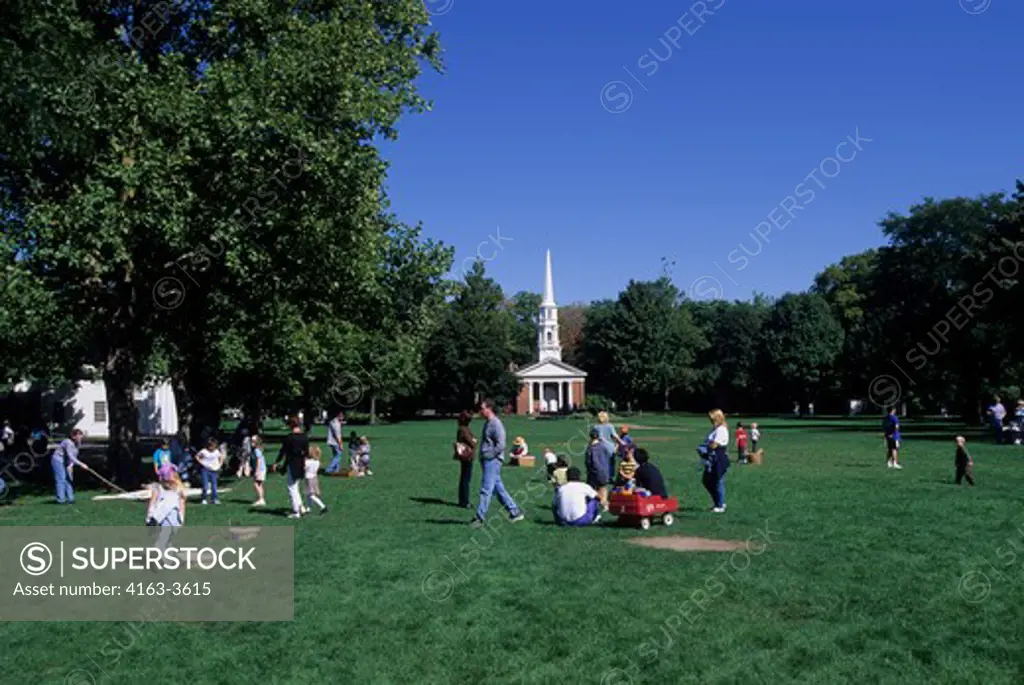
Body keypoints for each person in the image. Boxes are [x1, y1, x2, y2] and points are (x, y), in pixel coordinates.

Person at [470, 398, 524, 527]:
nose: (480, 411)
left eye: (482, 408)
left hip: (492, 461)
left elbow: (501, 445)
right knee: (498, 489)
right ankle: (515, 511)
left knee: (486, 489)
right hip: (488, 460)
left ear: (489, 408)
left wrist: (489, 455)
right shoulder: (488, 423)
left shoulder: (496, 424)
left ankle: (479, 517)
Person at [274, 416, 309, 519]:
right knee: (296, 487)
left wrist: (277, 462)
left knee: (291, 488)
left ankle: (296, 511)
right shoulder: (304, 437)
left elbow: (283, 451)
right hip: (301, 463)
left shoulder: (289, 438)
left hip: (292, 464)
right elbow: (306, 452)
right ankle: (301, 507)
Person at [146, 465, 186, 550]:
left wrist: (182, 516)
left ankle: (167, 551)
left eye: (171, 482)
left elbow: (182, 502)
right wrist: (149, 517)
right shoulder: (158, 489)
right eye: (167, 482)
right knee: (165, 533)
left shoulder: (178, 489)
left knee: (172, 534)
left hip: (175, 516)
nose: (169, 484)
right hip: (162, 516)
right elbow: (152, 502)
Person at [700, 409, 730, 513]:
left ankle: (720, 505)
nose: (710, 419)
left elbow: (714, 444)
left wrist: (705, 447)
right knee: (707, 480)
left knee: (718, 481)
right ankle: (718, 501)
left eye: (711, 417)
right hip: (712, 458)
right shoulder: (716, 429)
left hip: (718, 457)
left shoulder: (721, 429)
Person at [52, 429, 89, 504]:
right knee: (61, 479)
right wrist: (81, 464)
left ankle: (70, 499)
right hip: (58, 460)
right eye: (79, 436)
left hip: (67, 461)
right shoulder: (67, 442)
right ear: (73, 436)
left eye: (81, 436)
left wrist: (71, 465)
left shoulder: (78, 443)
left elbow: (75, 455)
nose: (80, 437)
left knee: (69, 478)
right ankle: (61, 500)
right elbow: (70, 456)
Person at [585, 427, 613, 511]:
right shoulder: (603, 446)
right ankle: (604, 504)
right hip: (604, 471)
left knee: (593, 490)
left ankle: (595, 505)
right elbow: (608, 456)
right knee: (603, 488)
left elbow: (589, 462)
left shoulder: (590, 449)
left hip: (594, 472)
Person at [454, 411, 477, 509]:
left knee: (464, 478)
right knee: (465, 479)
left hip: (465, 456)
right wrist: (474, 440)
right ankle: (464, 501)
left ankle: (462, 500)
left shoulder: (462, 429)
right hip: (467, 456)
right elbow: (473, 442)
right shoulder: (464, 430)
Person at [196, 437, 224, 505]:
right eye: (211, 446)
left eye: (214, 446)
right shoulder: (204, 451)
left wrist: (219, 465)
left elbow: (221, 457)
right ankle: (204, 498)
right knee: (205, 485)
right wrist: (202, 463)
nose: (212, 448)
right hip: (205, 470)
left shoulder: (216, 452)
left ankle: (214, 499)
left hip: (213, 470)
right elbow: (197, 456)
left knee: (214, 485)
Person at [595, 411, 621, 477]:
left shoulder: (596, 427)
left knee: (602, 463)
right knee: (611, 463)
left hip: (600, 447)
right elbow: (615, 435)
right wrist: (621, 441)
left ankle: (603, 476)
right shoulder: (610, 426)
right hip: (610, 447)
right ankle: (610, 476)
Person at [303, 446, 328, 514]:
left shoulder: (307, 462)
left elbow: (304, 468)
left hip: (309, 479)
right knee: (309, 494)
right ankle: (308, 509)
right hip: (314, 478)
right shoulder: (317, 461)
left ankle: (323, 506)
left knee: (311, 495)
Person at [251, 435, 267, 506]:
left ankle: (261, 499)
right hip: (262, 469)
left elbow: (258, 460)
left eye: (253, 441)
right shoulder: (258, 449)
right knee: (259, 484)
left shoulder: (256, 450)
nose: (251, 442)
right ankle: (261, 499)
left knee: (255, 484)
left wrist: (257, 470)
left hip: (260, 469)